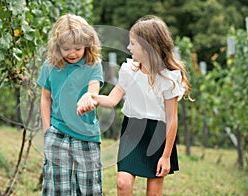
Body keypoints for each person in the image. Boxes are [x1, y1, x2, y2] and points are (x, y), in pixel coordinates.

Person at [77, 15, 192, 196]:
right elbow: (112, 100)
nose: (128, 47)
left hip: (158, 135)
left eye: (133, 43)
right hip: (132, 130)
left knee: (153, 193)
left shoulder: (169, 78)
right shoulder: (129, 70)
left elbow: (172, 118)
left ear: (148, 47)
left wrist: (166, 156)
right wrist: (92, 97)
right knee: (122, 183)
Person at [37, 13, 104, 195]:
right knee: (58, 188)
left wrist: (89, 98)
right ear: (57, 47)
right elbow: (45, 97)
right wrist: (47, 130)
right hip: (57, 133)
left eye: (77, 48)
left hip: (86, 135)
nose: (72, 53)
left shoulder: (93, 65)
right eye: (66, 49)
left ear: (87, 45)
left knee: (89, 187)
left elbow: (93, 91)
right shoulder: (50, 66)